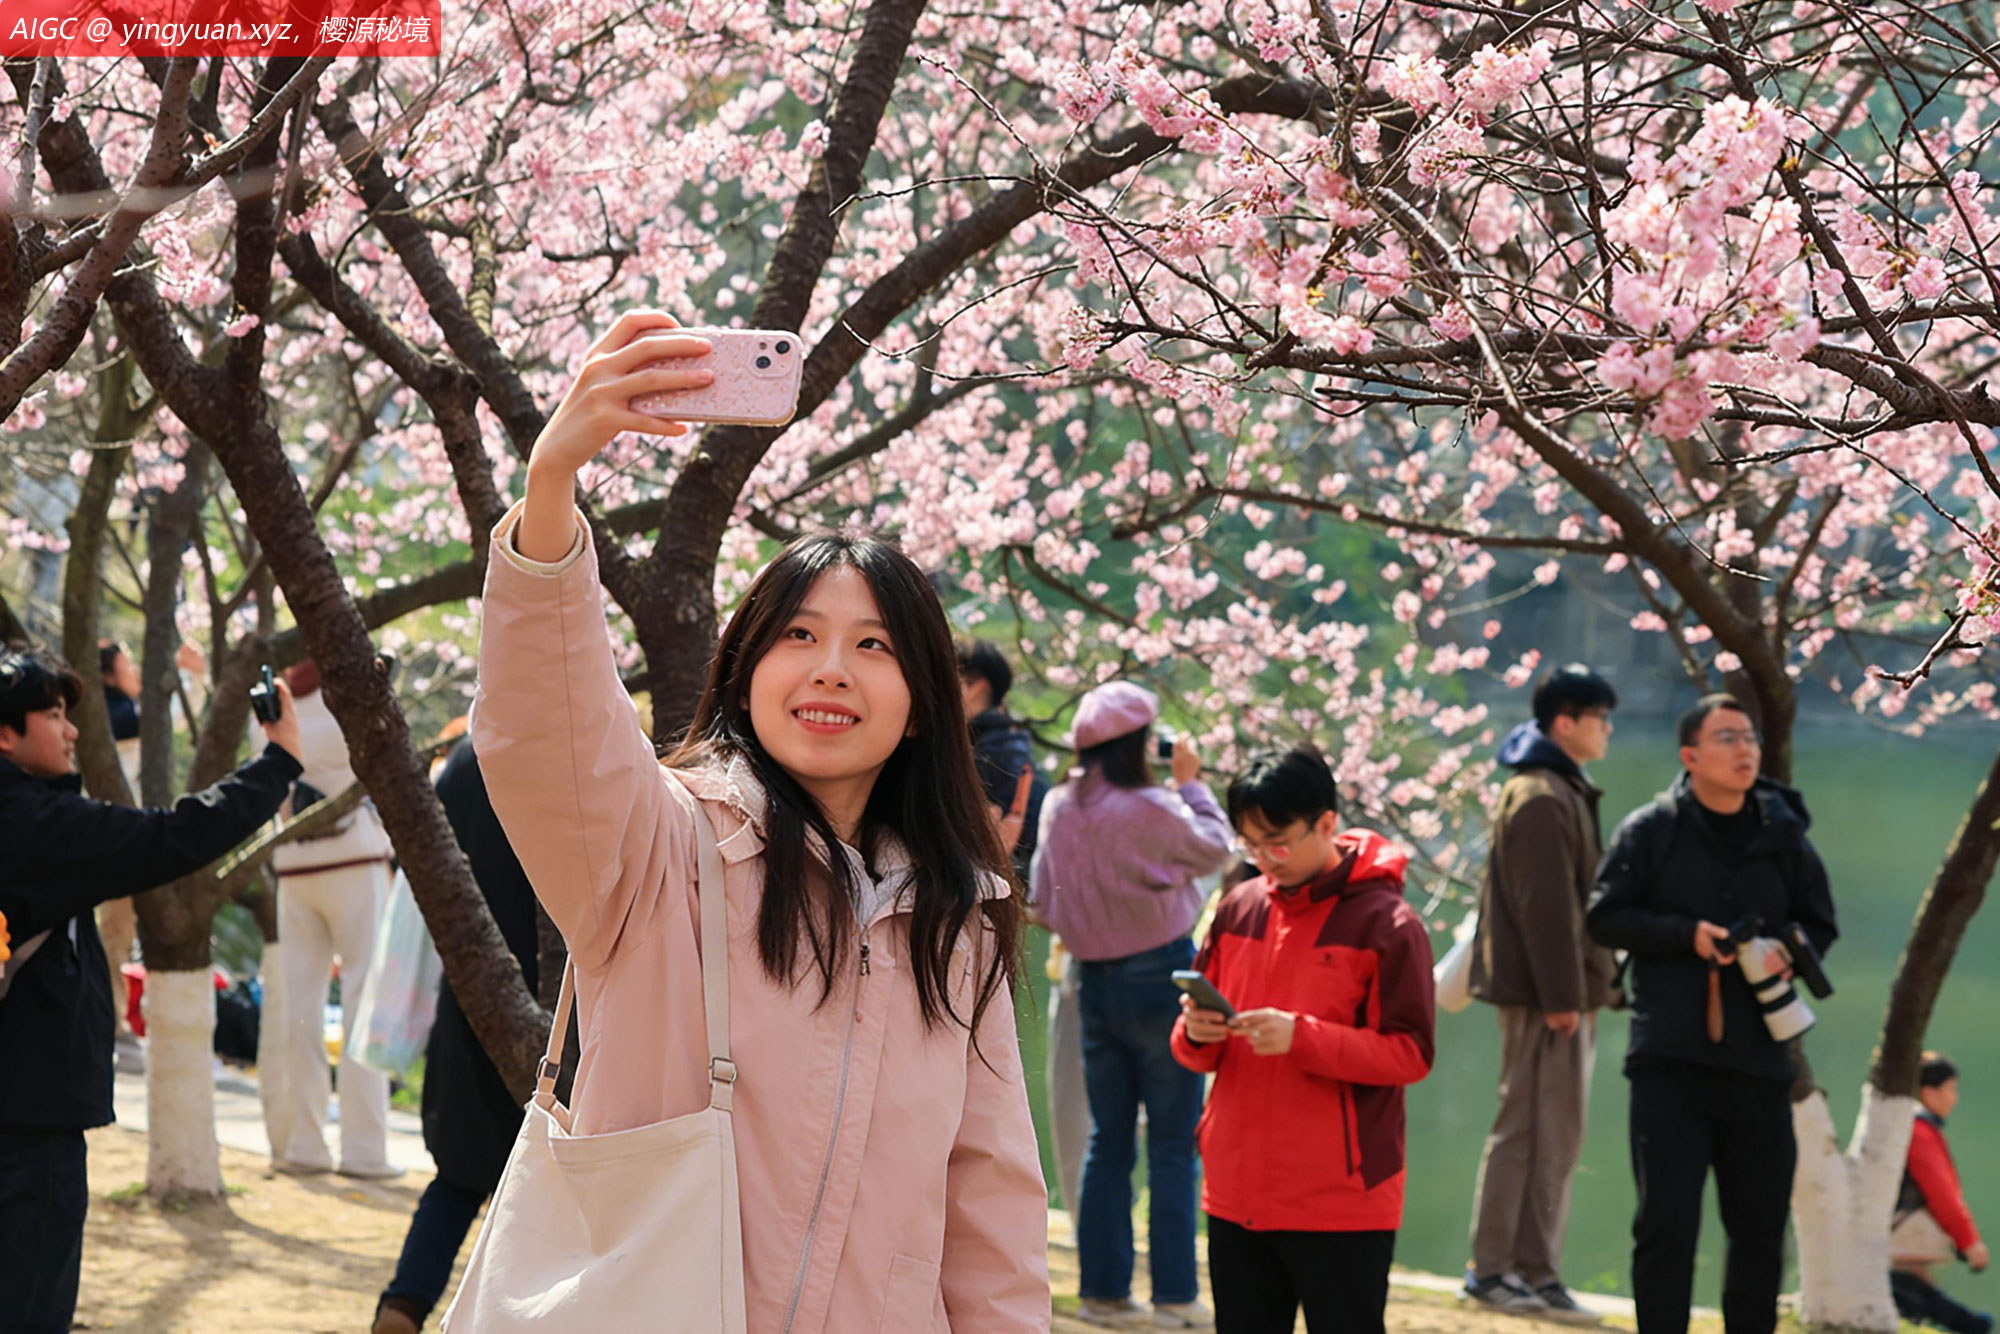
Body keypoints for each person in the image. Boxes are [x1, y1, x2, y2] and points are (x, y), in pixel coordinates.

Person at [468, 310, 1049, 1329]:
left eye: (874, 644)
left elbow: (988, 1202)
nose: (831, 666)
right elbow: (545, 730)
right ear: (745, 669)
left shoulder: (957, 919)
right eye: (797, 633)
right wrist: (551, 490)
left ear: (923, 700)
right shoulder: (655, 849)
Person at [0, 645, 302, 1334]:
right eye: (53, 714)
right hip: (30, 1121)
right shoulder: (36, 826)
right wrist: (278, 762)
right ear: (5, 734)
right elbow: (174, 836)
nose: (74, 729)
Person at [1586, 694, 1838, 1334]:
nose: (1745, 750)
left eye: (1749, 738)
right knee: (1665, 1225)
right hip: (1670, 1059)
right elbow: (1603, 916)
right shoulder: (1652, 829)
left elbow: (1820, 922)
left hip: (1759, 1061)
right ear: (1690, 756)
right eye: (1727, 738)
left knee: (1758, 1232)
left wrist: (1788, 951)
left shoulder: (1784, 832)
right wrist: (1684, 934)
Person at [1171, 744, 1436, 1334]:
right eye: (1251, 844)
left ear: (1327, 822)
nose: (1267, 858)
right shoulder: (1238, 907)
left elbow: (1412, 1054)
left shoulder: (1389, 925)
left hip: (1340, 1199)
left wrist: (1303, 1038)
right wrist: (1195, 1032)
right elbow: (1196, 1047)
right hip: (1236, 1190)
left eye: (1279, 841)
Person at [1031, 680, 1232, 1329]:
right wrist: (1193, 784)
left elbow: (1044, 900)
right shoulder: (1150, 805)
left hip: (1092, 981)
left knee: (1107, 1141)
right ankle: (1174, 1295)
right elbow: (1217, 848)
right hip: (1159, 973)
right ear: (1138, 744)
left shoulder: (1060, 804)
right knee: (1174, 1143)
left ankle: (1103, 1292)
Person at [1463, 664, 1621, 1317]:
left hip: (1558, 994)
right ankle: (1498, 1268)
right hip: (1543, 998)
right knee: (1526, 1130)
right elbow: (1547, 911)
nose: (1608, 730)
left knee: (1552, 1133)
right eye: (1600, 719)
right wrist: (1562, 997)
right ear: (1565, 722)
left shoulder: (1554, 788)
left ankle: (1534, 1269)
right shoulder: (1541, 796)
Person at [374, 737, 539, 1334]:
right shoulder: (582, 744)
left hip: (469, 987)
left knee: (457, 1180)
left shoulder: (466, 759)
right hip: (556, 1000)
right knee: (541, 1192)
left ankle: (404, 1305)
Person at [957, 638, 1086, 1222]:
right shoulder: (1016, 747)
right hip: (1001, 907)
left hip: (967, 907)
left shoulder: (983, 751)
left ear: (973, 685)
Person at [264, 658, 400, 1179]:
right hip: (354, 857)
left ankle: (306, 1144)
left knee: (301, 1009)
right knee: (364, 1002)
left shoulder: (276, 701)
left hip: (295, 862)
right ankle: (364, 1150)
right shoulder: (349, 690)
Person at [1890, 1053, 1992, 1334]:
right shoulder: (1919, 1131)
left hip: (1891, 1236)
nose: (1954, 1098)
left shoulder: (1903, 1125)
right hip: (1903, 1234)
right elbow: (1942, 1193)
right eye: (1950, 1089)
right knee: (1914, 1294)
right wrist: (1969, 1242)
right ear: (1928, 1092)